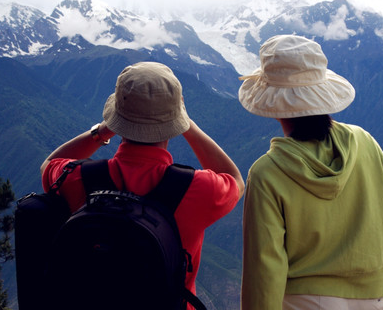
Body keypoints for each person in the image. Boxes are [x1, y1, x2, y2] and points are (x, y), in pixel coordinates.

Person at [238, 35, 383, 310]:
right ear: (323, 96)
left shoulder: (267, 173)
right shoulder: (365, 144)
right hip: (374, 300)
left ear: (275, 105)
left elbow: (264, 268)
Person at [40, 61, 245, 307]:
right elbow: (234, 179)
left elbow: (49, 164)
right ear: (175, 121)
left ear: (117, 117)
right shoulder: (197, 188)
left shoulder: (79, 178)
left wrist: (102, 132)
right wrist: (188, 125)